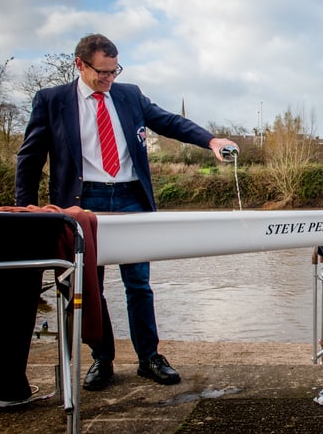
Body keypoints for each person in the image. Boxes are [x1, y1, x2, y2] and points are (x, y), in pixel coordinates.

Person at [15, 33, 239, 391]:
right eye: (102, 72)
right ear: (80, 65)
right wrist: (24, 208)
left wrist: (210, 140)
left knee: (139, 284)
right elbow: (29, 157)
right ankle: (102, 359)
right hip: (82, 202)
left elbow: (169, 122)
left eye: (114, 71)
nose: (109, 79)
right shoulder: (52, 100)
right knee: (91, 286)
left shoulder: (129, 95)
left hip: (132, 198)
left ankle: (149, 357)